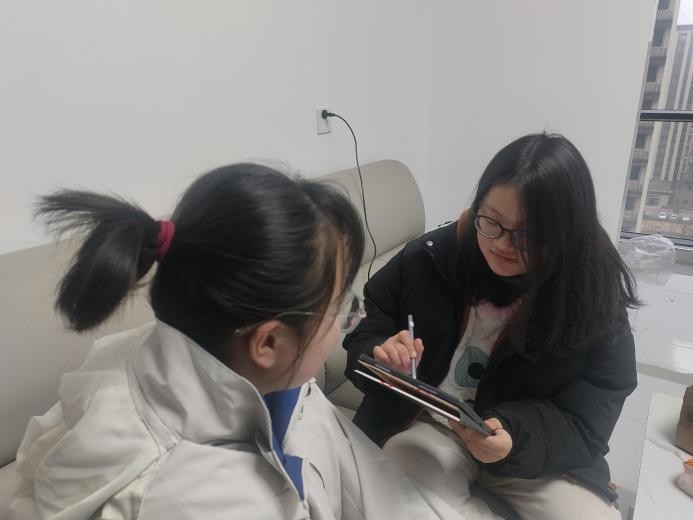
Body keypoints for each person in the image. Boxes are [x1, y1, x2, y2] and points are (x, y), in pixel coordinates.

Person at [6, 163, 466, 520]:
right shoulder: (206, 501)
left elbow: (362, 477)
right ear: (269, 342)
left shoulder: (251, 369)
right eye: (340, 309)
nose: (348, 321)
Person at [343, 133, 639, 520]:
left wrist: (514, 436)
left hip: (528, 448)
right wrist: (381, 355)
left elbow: (588, 418)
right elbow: (367, 326)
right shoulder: (431, 258)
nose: (501, 243)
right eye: (491, 221)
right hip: (431, 427)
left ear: (566, 235)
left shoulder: (593, 297)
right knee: (402, 484)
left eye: (526, 235)